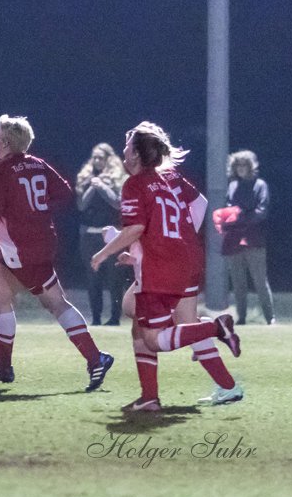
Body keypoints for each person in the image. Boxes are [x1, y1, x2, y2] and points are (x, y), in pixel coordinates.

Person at [91, 121, 242, 412]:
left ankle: (213, 330)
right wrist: (175, 239)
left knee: (153, 332)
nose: (123, 149)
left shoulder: (135, 184)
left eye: (127, 145)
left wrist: (108, 253)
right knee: (150, 316)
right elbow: (199, 205)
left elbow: (137, 227)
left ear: (136, 154)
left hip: (163, 265)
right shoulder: (170, 177)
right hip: (186, 258)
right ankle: (225, 386)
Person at [0, 115, 114, 390]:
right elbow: (64, 192)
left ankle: (96, 358)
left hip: (21, 247)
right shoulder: (37, 164)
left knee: (55, 303)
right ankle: (2, 366)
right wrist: (36, 210)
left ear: (3, 142)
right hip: (34, 241)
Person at [75, 143, 127, 326]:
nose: (97, 161)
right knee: (93, 278)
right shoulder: (86, 178)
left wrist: (103, 186)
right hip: (89, 235)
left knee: (115, 279)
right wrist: (93, 186)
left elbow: (117, 203)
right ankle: (95, 318)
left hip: (111, 235)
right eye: (94, 157)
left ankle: (114, 317)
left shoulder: (118, 180)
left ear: (109, 160)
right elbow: (81, 205)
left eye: (101, 158)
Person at [221, 150, 275, 325]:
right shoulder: (232, 186)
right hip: (234, 240)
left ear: (251, 167)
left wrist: (240, 216)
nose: (241, 168)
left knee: (260, 281)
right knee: (238, 283)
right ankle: (241, 317)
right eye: (238, 165)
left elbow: (262, 211)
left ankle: (270, 318)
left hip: (254, 240)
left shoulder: (260, 185)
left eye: (244, 165)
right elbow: (228, 209)